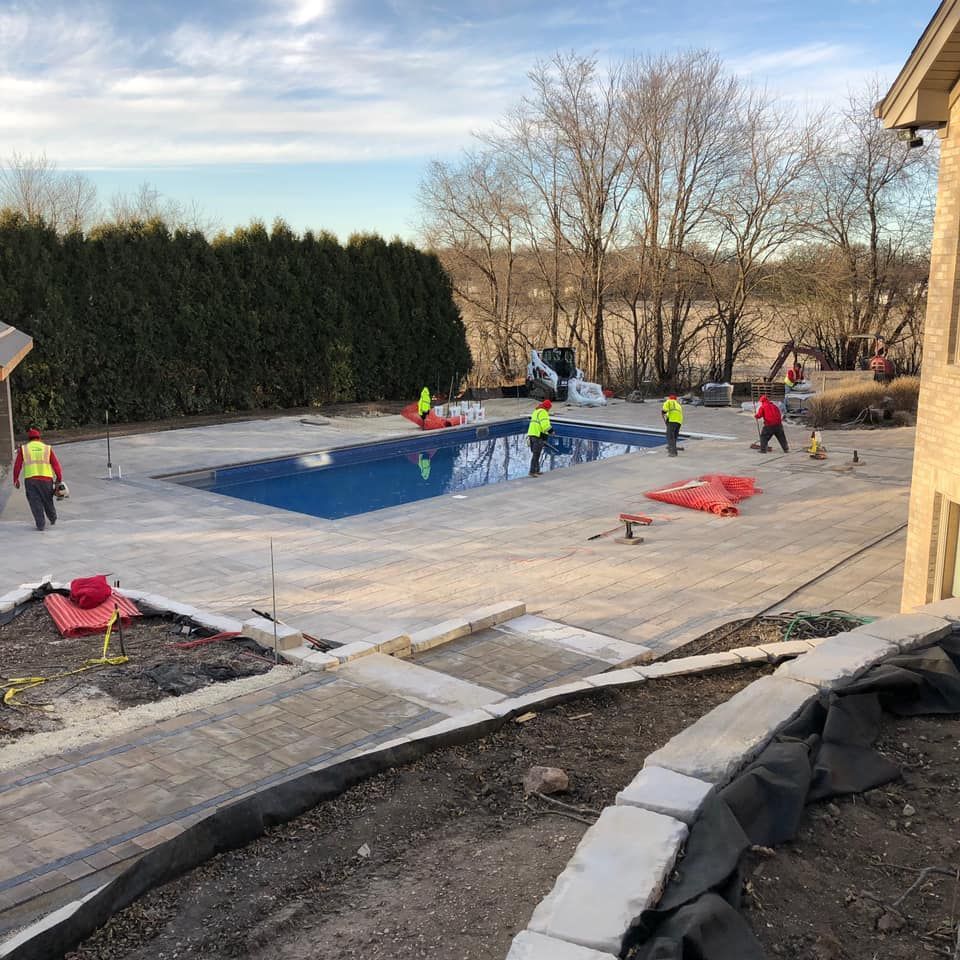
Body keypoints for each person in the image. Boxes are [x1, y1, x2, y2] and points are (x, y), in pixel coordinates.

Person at [12, 428, 63, 531]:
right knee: (48, 500)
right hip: (46, 480)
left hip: (31, 481)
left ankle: (40, 524)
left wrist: (15, 479)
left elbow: (17, 465)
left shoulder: (24, 449)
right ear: (39, 438)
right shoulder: (47, 448)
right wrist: (59, 478)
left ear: (29, 439)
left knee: (35, 502)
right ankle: (53, 518)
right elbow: (55, 464)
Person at [527, 399, 554, 477]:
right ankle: (532, 472)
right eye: (549, 408)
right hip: (538, 435)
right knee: (536, 454)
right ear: (547, 407)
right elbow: (545, 425)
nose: (549, 410)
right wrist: (551, 431)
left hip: (532, 434)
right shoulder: (543, 412)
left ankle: (537, 470)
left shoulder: (536, 411)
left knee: (536, 453)